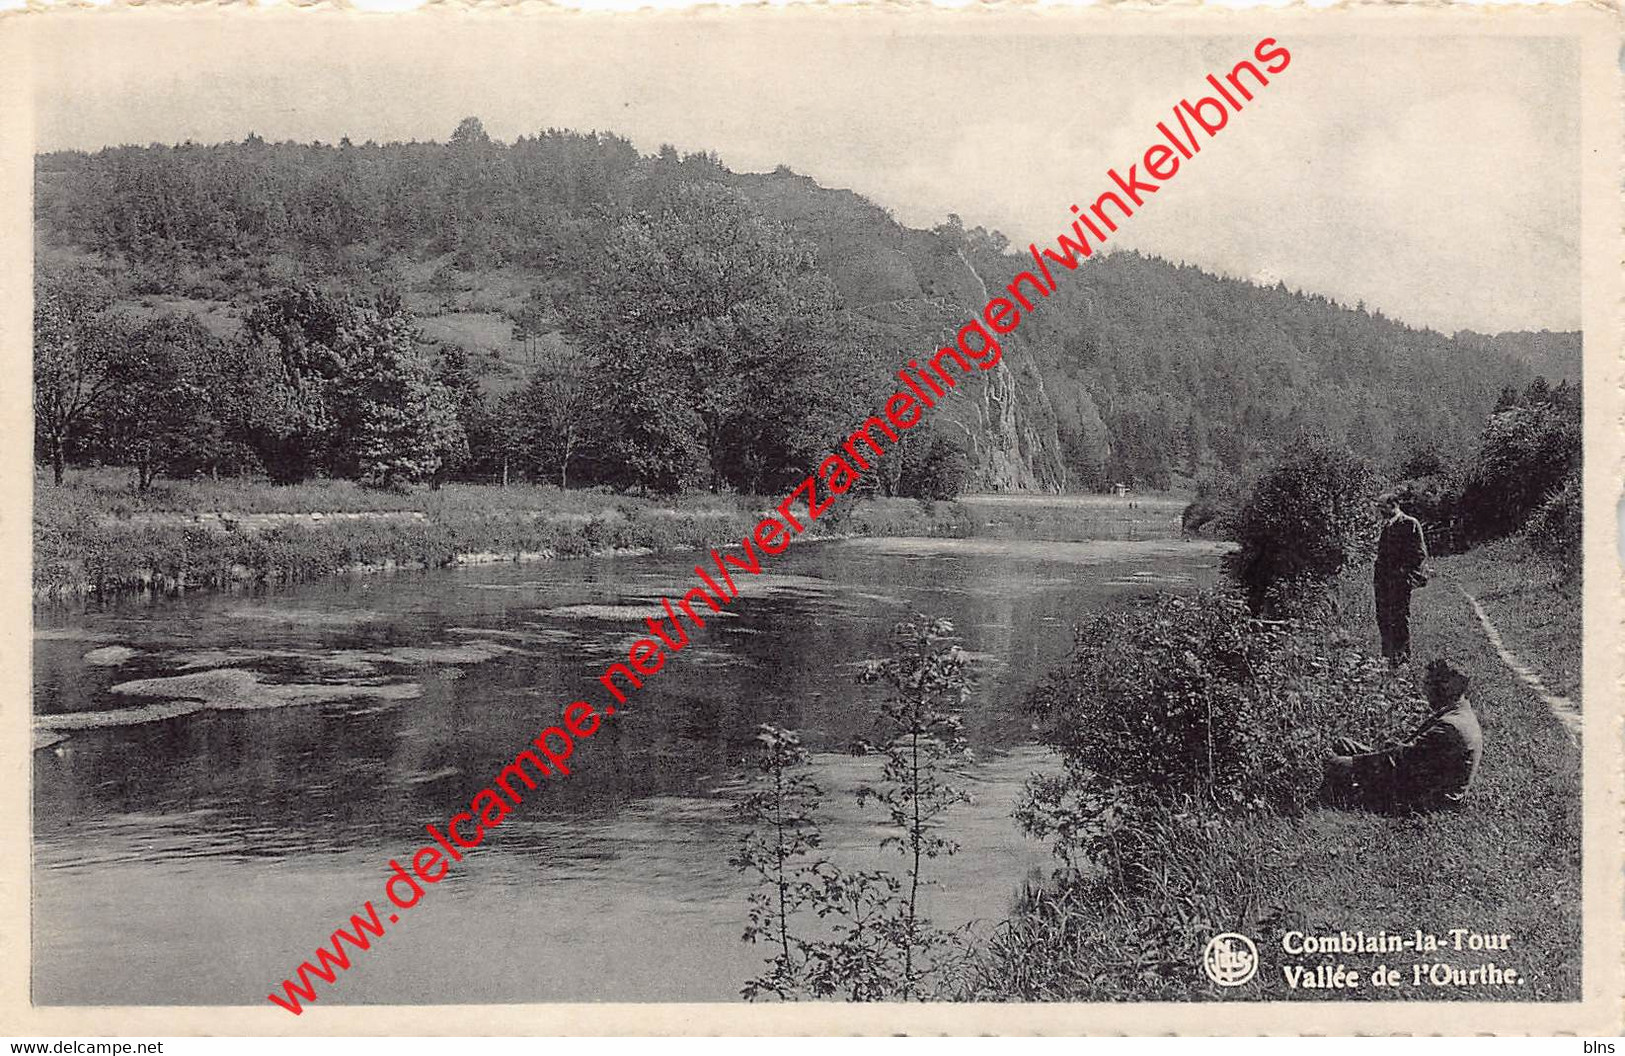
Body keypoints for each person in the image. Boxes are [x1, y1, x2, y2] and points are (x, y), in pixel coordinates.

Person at [1322, 659, 1483, 813]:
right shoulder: (1459, 713)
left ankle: (1323, 804)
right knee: (1344, 745)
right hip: (1423, 782)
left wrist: (1354, 764)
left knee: (1340, 771)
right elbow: (1415, 757)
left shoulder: (1451, 726)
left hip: (1425, 800)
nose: (1424, 691)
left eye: (1427, 684)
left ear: (1444, 687)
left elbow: (1400, 763)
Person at [1374, 494, 1428, 666]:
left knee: (1399, 618)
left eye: (1383, 507)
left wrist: (1403, 573)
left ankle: (1403, 659)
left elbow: (1419, 553)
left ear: (1394, 505)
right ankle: (1388, 658)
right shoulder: (1386, 526)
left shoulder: (1410, 524)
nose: (1380, 511)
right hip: (1382, 582)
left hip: (1399, 581)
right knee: (1383, 618)